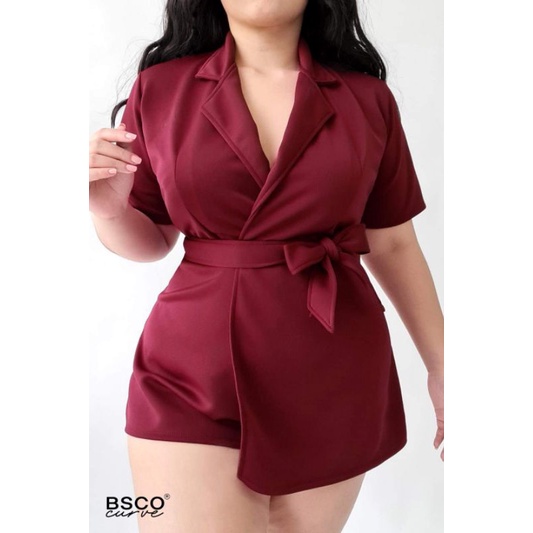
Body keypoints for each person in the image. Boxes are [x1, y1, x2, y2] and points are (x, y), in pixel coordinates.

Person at [89, 0, 444, 531]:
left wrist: (446, 366)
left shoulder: (367, 99)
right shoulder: (161, 89)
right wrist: (108, 208)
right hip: (191, 372)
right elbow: (153, 239)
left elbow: (392, 243)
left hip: (333, 371)